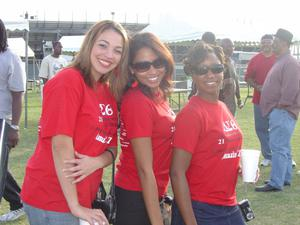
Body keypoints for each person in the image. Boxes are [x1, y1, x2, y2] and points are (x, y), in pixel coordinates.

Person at [20, 20, 130, 225]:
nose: (109, 55)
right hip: (52, 198)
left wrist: (95, 162)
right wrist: (75, 206)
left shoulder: (107, 92)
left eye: (117, 50)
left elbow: (112, 149)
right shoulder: (68, 81)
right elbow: (60, 145)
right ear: (89, 44)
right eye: (103, 45)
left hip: (81, 198)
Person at [170, 41, 246, 225]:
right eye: (202, 70)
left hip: (229, 204)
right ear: (193, 74)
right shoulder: (191, 114)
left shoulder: (221, 107)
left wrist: (240, 166)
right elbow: (177, 172)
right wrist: (190, 221)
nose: (210, 74)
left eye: (216, 68)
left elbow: (219, 151)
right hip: (201, 207)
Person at [114, 32, 175, 225]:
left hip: (152, 191)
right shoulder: (137, 101)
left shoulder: (157, 94)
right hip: (136, 195)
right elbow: (144, 169)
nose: (152, 70)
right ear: (131, 69)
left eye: (158, 63)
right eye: (143, 65)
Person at [255, 28, 300, 192]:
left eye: (275, 41)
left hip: (282, 111)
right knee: (283, 147)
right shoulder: (282, 60)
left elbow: (291, 88)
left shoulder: (290, 63)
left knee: (278, 147)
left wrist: (280, 105)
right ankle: (284, 177)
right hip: (280, 111)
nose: (272, 44)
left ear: (284, 43)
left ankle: (276, 182)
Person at [0, 19, 26, 222]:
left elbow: (18, 95)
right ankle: (18, 201)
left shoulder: (11, 58)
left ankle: (18, 203)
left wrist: (14, 127)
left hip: (3, 121)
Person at [244, 34, 276, 167]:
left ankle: (282, 155)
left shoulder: (278, 58)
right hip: (259, 100)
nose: (266, 45)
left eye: (268, 42)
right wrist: (257, 86)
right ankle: (268, 156)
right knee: (261, 129)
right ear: (260, 44)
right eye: (263, 43)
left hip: (277, 101)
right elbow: (248, 77)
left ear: (273, 43)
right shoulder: (255, 59)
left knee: (277, 128)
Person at [220, 38, 243, 115]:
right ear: (221, 47)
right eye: (228, 46)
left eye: (232, 46)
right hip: (220, 102)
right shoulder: (218, 62)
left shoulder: (232, 62)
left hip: (231, 103)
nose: (231, 48)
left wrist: (239, 98)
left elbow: (235, 81)